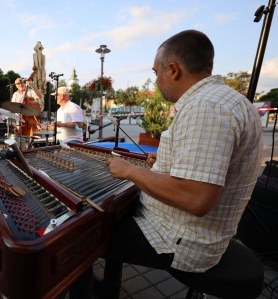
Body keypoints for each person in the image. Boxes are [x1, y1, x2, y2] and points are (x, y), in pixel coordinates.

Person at [90, 30, 263, 299]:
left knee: (85, 237)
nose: (157, 81)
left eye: (156, 72)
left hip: (178, 240)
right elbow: (214, 165)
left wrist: (129, 170)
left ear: (173, 69)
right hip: (196, 233)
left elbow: (196, 198)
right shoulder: (229, 100)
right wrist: (169, 160)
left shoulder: (206, 108)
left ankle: (95, 293)